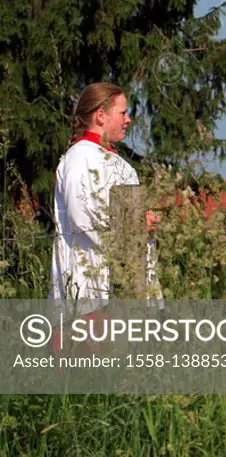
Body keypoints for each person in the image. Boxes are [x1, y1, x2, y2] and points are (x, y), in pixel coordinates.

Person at [51, 82, 162, 317]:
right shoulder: (80, 158)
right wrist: (135, 227)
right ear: (101, 115)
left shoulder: (121, 164)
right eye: (123, 112)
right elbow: (82, 218)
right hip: (89, 288)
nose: (129, 119)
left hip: (125, 288)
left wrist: (144, 222)